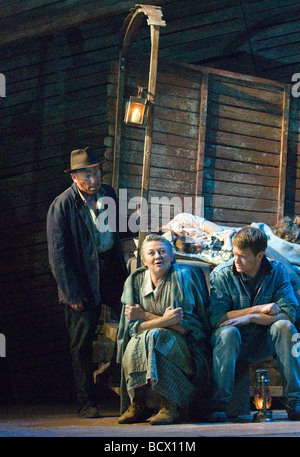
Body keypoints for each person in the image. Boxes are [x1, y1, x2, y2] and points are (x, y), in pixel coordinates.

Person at [46, 147, 128, 418]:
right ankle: (86, 402)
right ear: (74, 177)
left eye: (96, 173)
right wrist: (71, 293)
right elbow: (58, 255)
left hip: (111, 272)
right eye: (87, 176)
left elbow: (118, 228)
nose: (94, 181)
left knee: (133, 324)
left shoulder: (109, 193)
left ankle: (131, 396)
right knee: (81, 344)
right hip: (80, 278)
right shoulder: (62, 205)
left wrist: (137, 218)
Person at [209, 226, 300, 422]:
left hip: (263, 340)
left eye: (243, 256)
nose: (236, 260)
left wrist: (253, 318)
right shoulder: (222, 274)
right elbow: (218, 318)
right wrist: (257, 309)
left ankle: (295, 401)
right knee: (227, 332)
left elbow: (288, 315)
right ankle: (219, 404)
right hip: (235, 340)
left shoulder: (277, 272)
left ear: (260, 256)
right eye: (234, 254)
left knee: (285, 328)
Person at [116, 234, 210, 425]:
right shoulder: (135, 281)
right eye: (151, 253)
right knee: (141, 339)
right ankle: (138, 402)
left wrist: (144, 315)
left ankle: (171, 405)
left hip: (184, 347)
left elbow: (184, 327)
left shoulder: (182, 277)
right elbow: (133, 328)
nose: (157, 256)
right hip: (146, 342)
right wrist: (164, 320)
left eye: (162, 251)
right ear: (144, 260)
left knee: (156, 336)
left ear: (171, 256)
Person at [160, 212, 236, 265]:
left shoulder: (180, 222)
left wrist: (226, 236)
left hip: (229, 233)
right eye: (193, 249)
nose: (197, 245)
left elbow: (219, 231)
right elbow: (224, 259)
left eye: (193, 242)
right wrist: (226, 239)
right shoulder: (205, 254)